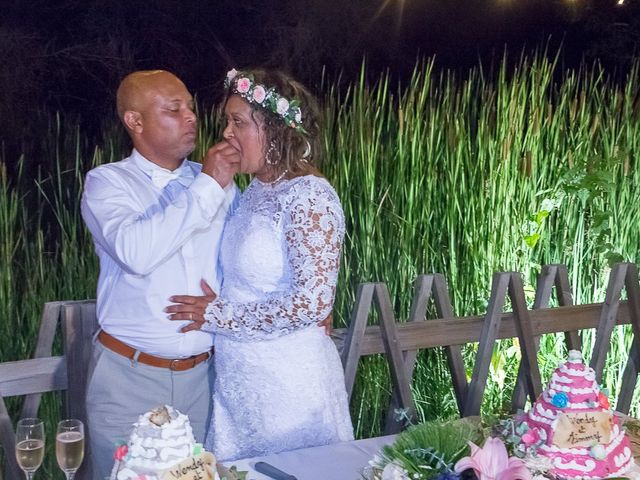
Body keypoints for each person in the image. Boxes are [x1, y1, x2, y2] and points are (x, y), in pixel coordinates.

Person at [167, 68, 354, 461]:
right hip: (239, 381)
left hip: (288, 388)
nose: (227, 134)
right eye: (227, 122)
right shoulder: (254, 190)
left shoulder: (309, 196)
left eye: (238, 122)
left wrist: (220, 315)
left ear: (276, 130)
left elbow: (312, 304)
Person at [80, 69, 239, 478]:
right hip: (128, 379)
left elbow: (242, 261)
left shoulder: (217, 184)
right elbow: (137, 252)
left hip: (204, 378)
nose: (191, 117)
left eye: (190, 107)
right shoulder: (108, 183)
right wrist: (210, 184)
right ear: (135, 121)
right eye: (174, 109)